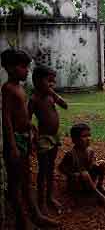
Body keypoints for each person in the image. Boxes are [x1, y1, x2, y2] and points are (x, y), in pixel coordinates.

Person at [1, 49, 58, 230]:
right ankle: (22, 220)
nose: (27, 71)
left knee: (26, 179)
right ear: (9, 68)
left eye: (28, 66)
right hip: (16, 140)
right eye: (23, 66)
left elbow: (22, 114)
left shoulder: (19, 87)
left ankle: (36, 215)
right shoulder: (8, 88)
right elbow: (7, 118)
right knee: (16, 181)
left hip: (24, 137)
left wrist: (31, 128)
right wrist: (12, 146)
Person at [29, 65, 68, 214]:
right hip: (43, 138)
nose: (52, 84)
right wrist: (33, 132)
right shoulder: (34, 99)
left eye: (53, 82)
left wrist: (53, 93)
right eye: (49, 81)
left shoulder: (51, 96)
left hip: (54, 136)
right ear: (37, 81)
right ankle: (41, 201)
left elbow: (65, 105)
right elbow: (27, 118)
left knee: (51, 168)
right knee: (43, 170)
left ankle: (50, 197)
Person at [59, 122, 105, 206]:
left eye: (89, 135)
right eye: (84, 136)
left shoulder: (90, 151)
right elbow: (61, 168)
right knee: (85, 174)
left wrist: (95, 164)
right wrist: (72, 174)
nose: (88, 138)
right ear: (74, 140)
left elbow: (90, 164)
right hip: (77, 183)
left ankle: (99, 185)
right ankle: (99, 196)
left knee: (102, 163)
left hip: (88, 180)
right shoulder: (71, 154)